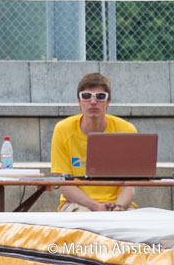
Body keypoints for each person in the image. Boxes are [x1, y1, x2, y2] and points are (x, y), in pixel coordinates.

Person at [50, 72, 137, 211]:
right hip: (77, 204)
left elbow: (128, 186)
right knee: (86, 220)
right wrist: (95, 206)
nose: (93, 101)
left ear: (108, 101)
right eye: (86, 96)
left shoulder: (127, 130)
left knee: (132, 225)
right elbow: (65, 185)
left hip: (118, 204)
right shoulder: (62, 129)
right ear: (78, 100)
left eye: (100, 96)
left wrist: (118, 207)